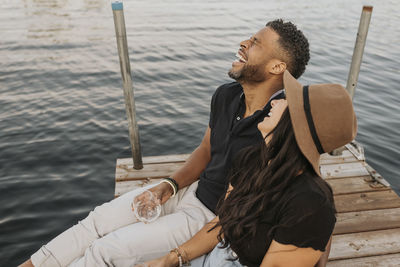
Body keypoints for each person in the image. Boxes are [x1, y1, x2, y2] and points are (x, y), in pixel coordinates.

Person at [20, 19, 310, 267]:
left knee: (108, 250)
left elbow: (296, 193)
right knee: (98, 220)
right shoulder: (226, 95)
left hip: (213, 219)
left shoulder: (282, 122)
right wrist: (169, 186)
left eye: (256, 42)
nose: (244, 42)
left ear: (277, 66)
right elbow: (207, 151)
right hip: (190, 192)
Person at [137, 70, 357, 267]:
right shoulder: (252, 158)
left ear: (298, 126)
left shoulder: (309, 204)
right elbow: (223, 221)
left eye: (287, 101)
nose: (275, 103)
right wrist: (173, 257)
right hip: (218, 256)